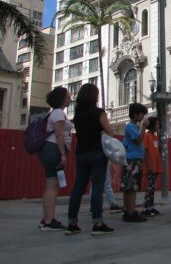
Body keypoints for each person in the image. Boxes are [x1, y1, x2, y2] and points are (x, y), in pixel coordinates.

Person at [66, 83, 116, 236]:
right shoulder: (98, 113)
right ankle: (97, 222)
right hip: (97, 153)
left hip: (81, 153)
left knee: (78, 188)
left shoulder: (77, 115)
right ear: (95, 96)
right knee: (97, 187)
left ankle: (72, 222)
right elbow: (110, 132)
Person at [38, 86, 72, 231]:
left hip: (49, 149)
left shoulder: (54, 113)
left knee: (50, 184)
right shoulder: (58, 113)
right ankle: (49, 220)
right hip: (54, 149)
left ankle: (46, 218)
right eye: (68, 96)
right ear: (62, 99)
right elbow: (59, 134)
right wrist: (63, 154)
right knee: (52, 185)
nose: (70, 98)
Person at [121, 103, 148, 223]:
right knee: (132, 186)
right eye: (141, 114)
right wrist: (144, 128)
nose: (143, 116)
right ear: (135, 114)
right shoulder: (131, 127)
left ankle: (128, 210)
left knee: (129, 186)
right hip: (133, 159)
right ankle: (131, 212)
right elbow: (138, 140)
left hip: (132, 158)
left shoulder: (132, 127)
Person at [142, 116, 162, 216]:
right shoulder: (147, 135)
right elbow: (145, 150)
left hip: (156, 165)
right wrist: (149, 165)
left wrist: (159, 137)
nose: (158, 126)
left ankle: (151, 207)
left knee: (152, 187)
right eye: (157, 124)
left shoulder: (155, 136)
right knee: (150, 187)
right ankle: (145, 208)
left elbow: (160, 149)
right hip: (151, 165)